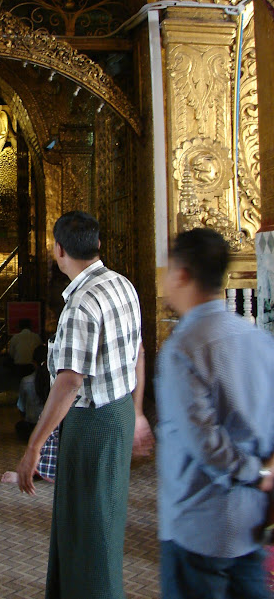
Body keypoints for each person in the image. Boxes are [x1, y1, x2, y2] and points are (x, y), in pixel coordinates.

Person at [16, 211, 143, 599]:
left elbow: (69, 384)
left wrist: (33, 447)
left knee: (89, 525)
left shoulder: (80, 306)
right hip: (119, 413)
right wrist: (137, 412)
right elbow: (137, 350)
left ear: (58, 250)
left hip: (92, 425)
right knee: (100, 515)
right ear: (97, 244)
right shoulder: (123, 285)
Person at [156, 227, 274, 599]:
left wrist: (252, 473)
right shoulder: (256, 338)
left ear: (183, 274)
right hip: (251, 520)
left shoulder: (184, 349)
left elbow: (203, 441)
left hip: (198, 522)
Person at [2, 344, 60, 485]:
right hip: (55, 429)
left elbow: (21, 408)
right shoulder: (60, 382)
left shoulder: (27, 381)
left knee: (23, 426)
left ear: (34, 363)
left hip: (34, 429)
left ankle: (37, 469)